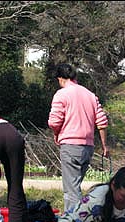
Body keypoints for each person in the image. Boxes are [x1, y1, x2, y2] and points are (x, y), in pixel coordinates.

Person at [48, 63, 109, 213]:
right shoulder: (90, 95)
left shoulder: (61, 94)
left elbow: (54, 122)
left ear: (60, 78)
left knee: (71, 191)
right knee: (75, 186)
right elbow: (102, 122)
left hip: (70, 146)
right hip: (88, 147)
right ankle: (81, 218)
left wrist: (57, 134)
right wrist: (105, 146)